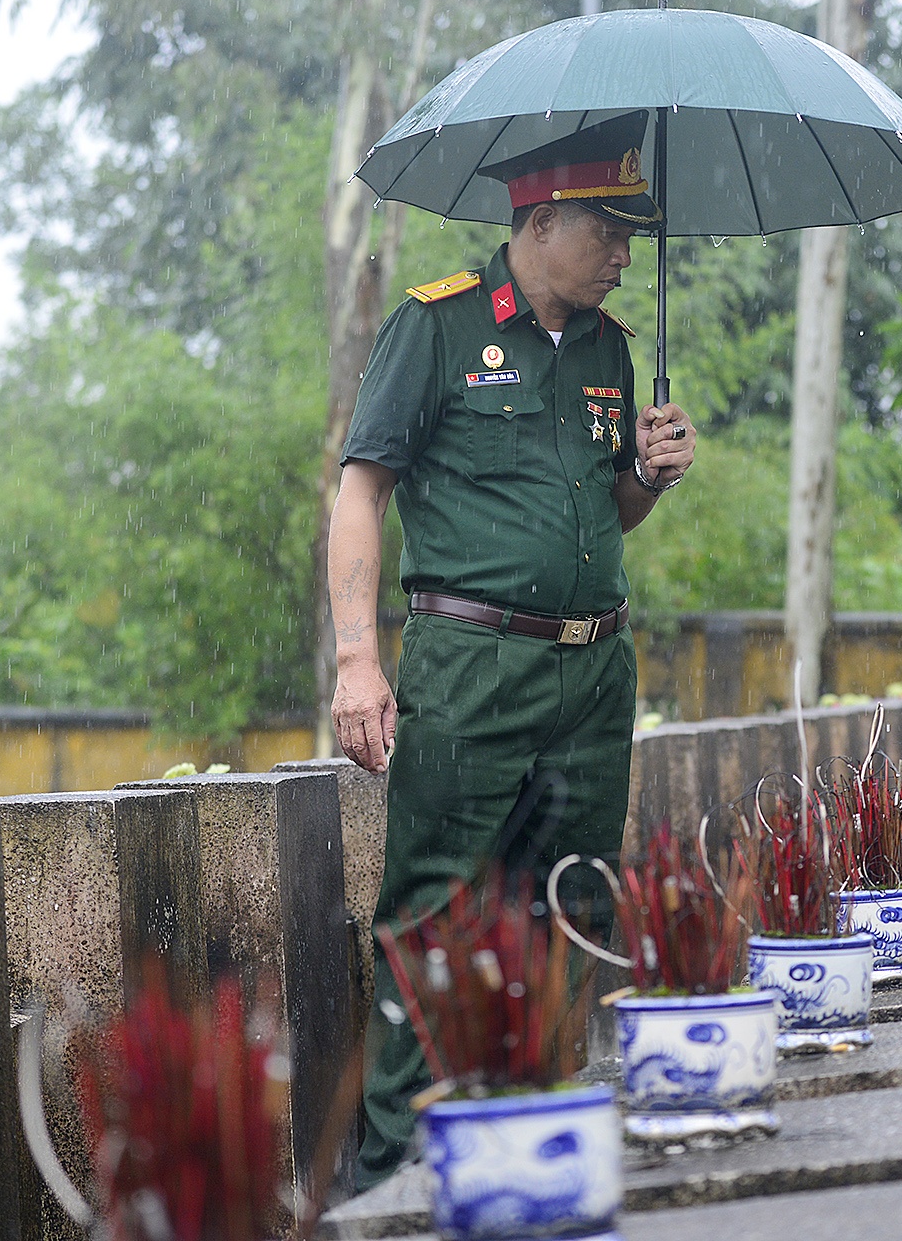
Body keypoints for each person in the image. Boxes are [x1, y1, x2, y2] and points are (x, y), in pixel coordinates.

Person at [326, 110, 697, 1187]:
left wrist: (650, 476)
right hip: (472, 661)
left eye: (634, 235)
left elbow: (605, 515)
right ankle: (398, 1165)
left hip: (594, 668)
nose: (626, 254)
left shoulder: (611, 349)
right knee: (436, 910)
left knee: (575, 897)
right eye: (609, 230)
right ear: (537, 222)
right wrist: (358, 659)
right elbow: (362, 492)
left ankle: (543, 1128)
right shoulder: (436, 328)